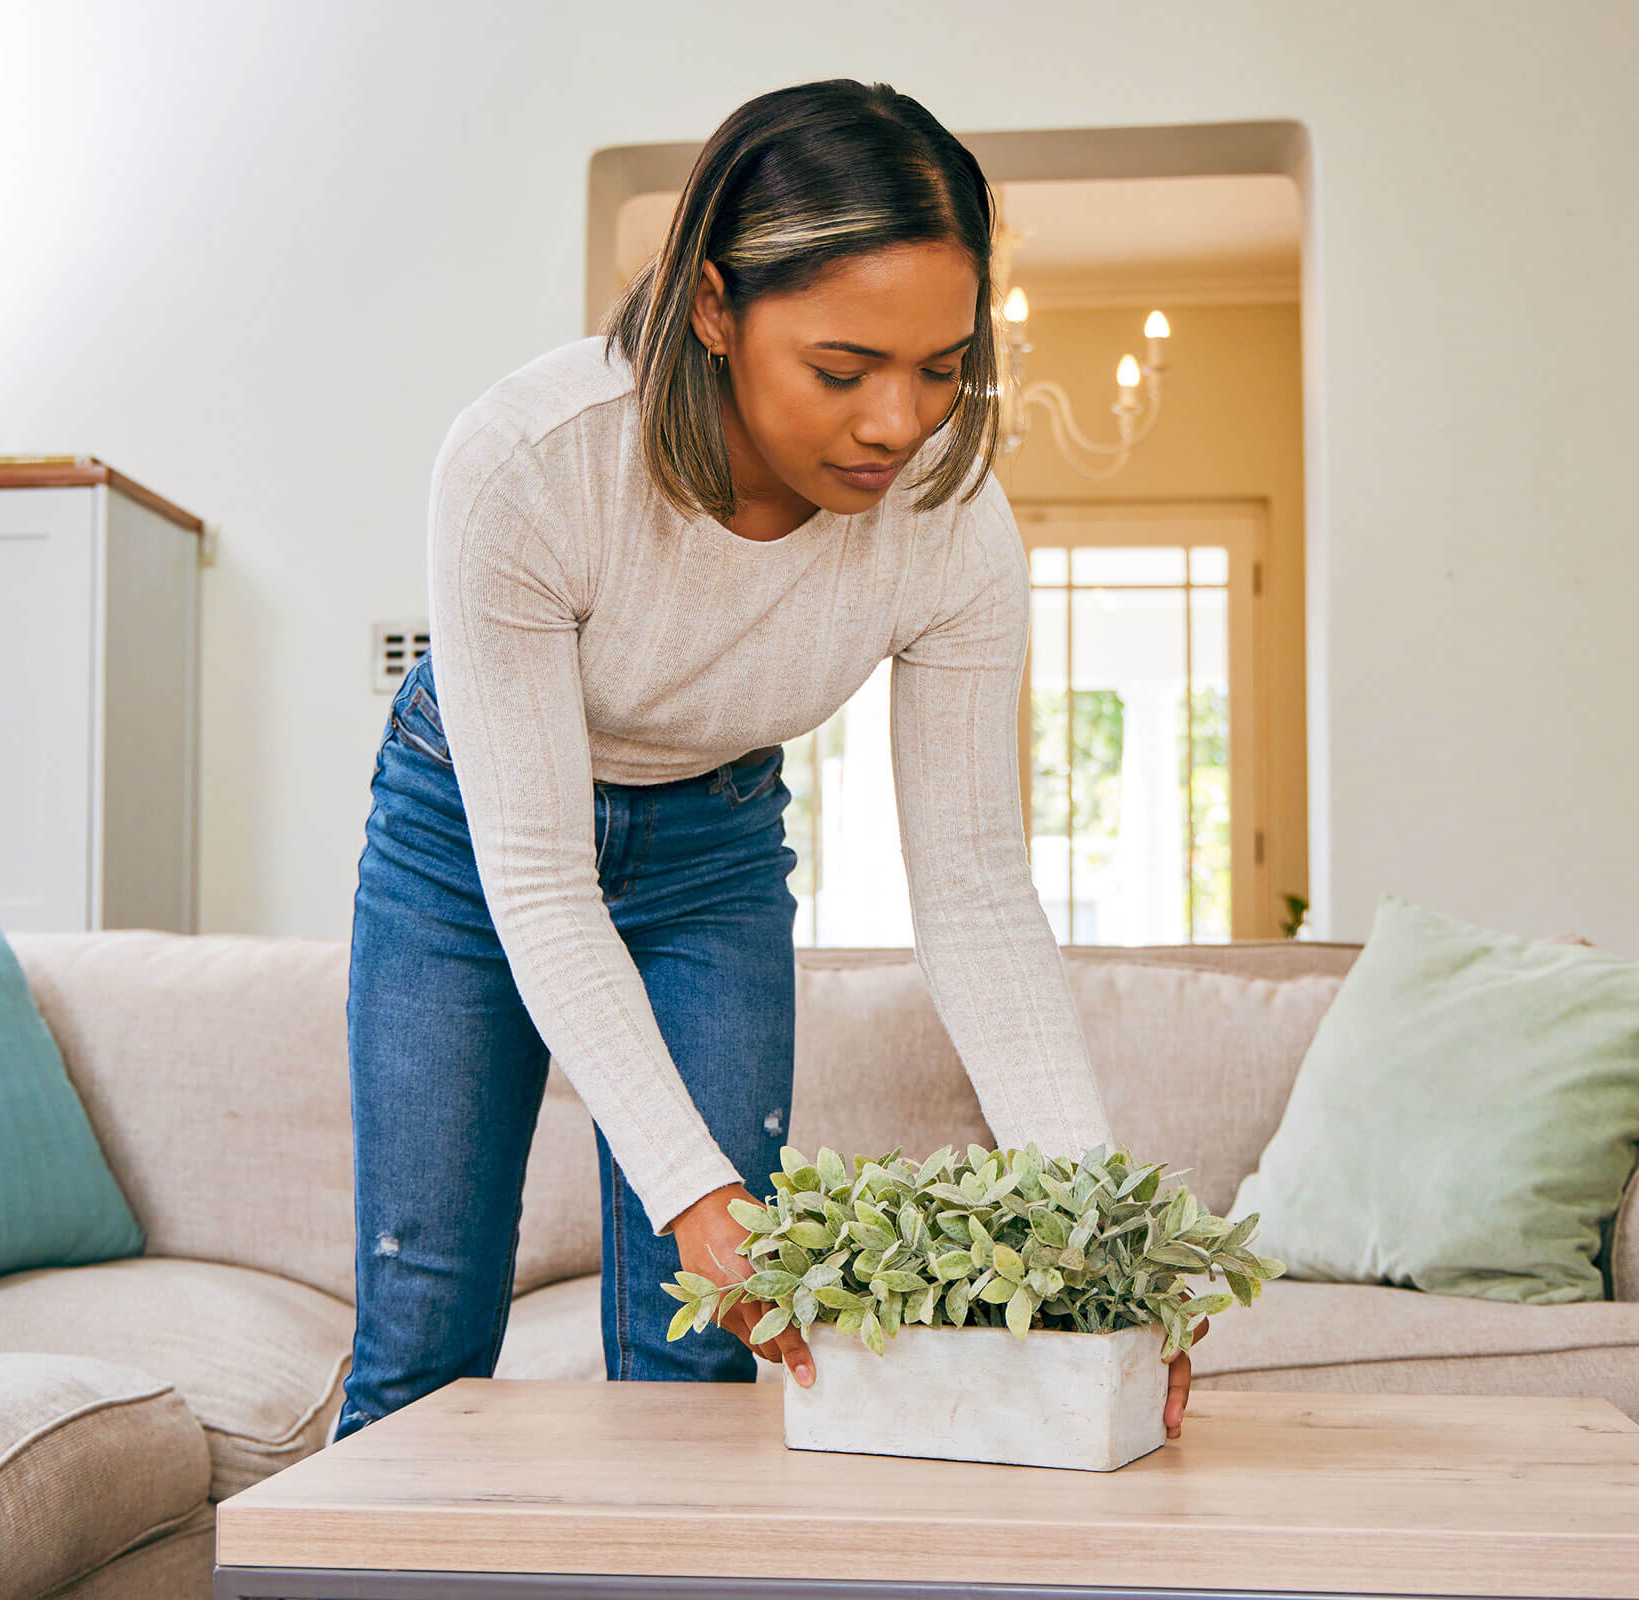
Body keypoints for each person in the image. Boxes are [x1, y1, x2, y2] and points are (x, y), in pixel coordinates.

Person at [334, 76, 1210, 1446]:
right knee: (427, 1327)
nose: (898, 425)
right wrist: (691, 1189)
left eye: (942, 367)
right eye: (845, 370)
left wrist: (1107, 1245)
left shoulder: (954, 532)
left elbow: (976, 897)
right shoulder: (527, 464)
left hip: (712, 846)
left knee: (695, 1351)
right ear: (715, 308)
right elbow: (542, 880)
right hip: (467, 840)